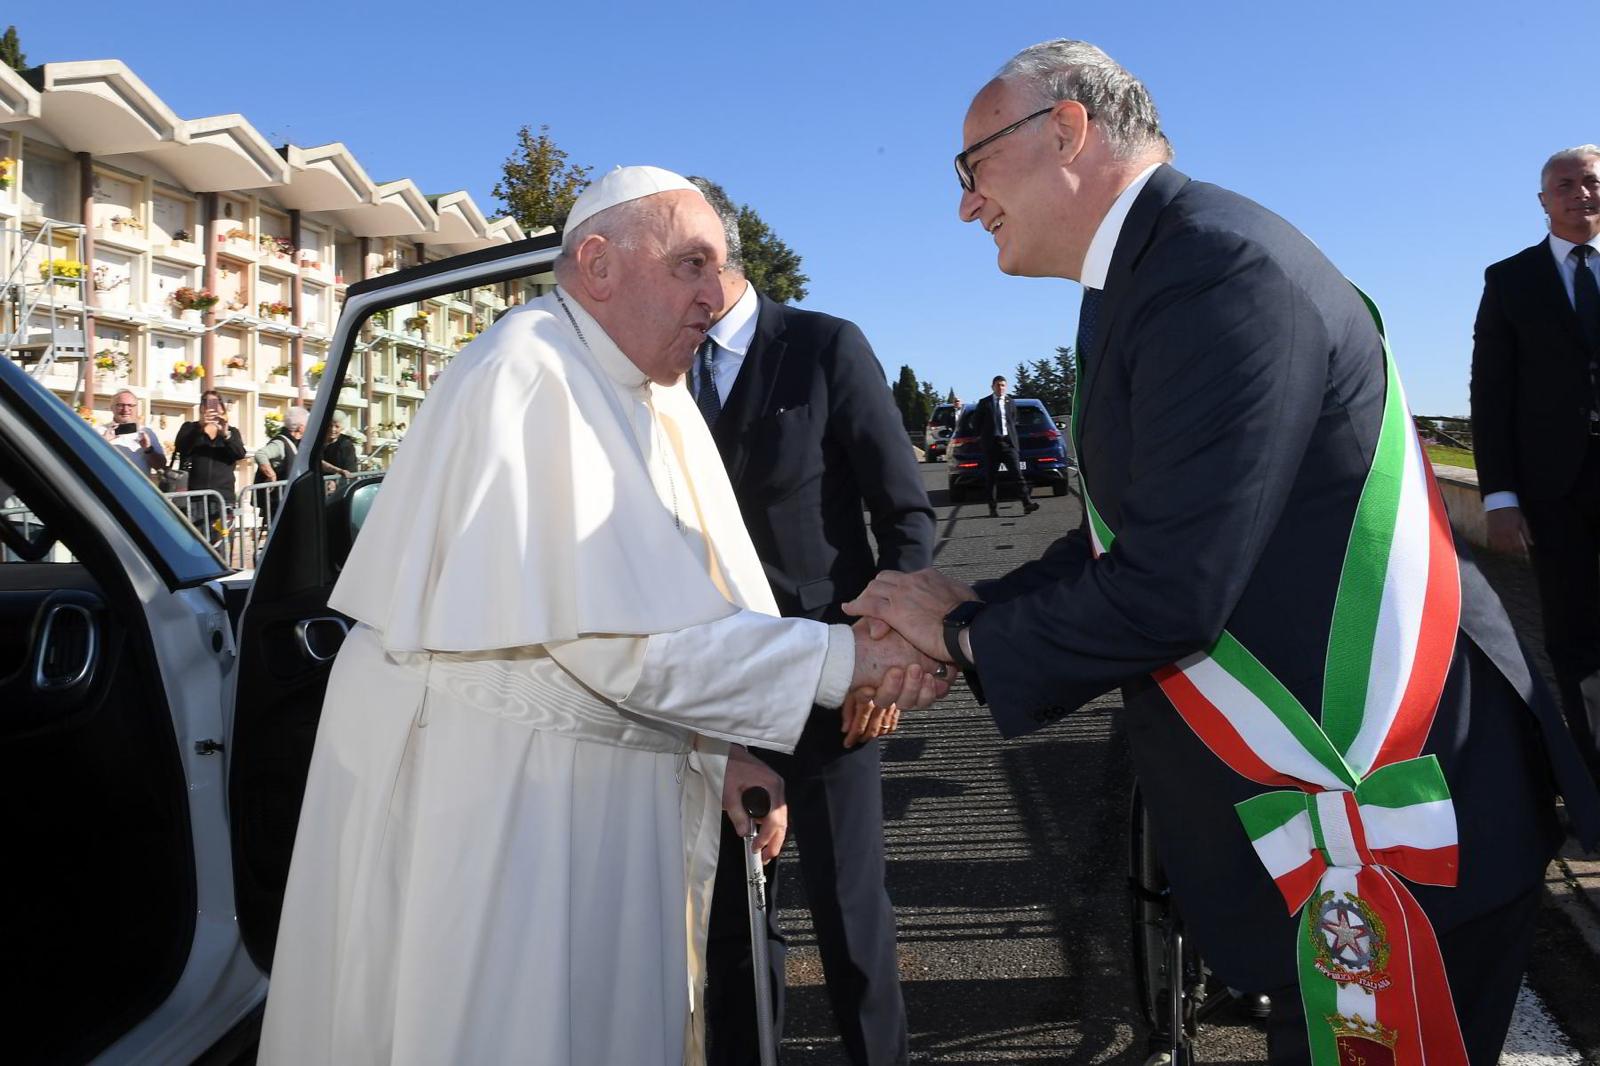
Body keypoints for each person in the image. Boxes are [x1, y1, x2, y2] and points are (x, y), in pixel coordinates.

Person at [844, 40, 1600, 1066]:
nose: (967, 206)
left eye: (970, 169)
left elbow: (1171, 587)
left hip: (1394, 804)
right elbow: (1131, 529)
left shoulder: (1214, 271)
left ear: (1064, 131)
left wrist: (964, 634)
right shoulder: (1155, 270)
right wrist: (967, 609)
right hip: (1344, 817)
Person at [258, 166, 946, 1066]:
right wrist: (850, 661)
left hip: (592, 774)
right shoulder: (531, 373)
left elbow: (669, 603)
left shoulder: (638, 384)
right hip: (502, 799)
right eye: (692, 265)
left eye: (721, 267)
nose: (717, 294)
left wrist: (738, 736)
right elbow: (626, 644)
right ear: (598, 263)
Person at [687, 178, 934, 1066]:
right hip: (711, 690)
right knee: (732, 929)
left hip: (834, 688)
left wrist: (886, 660)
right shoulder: (652, 371)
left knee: (850, 918)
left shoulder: (826, 347)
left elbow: (904, 517)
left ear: (719, 257)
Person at [1471, 145, 1600, 778]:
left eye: (1593, 182)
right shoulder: (1510, 280)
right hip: (1557, 491)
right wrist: (1499, 496)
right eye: (1565, 184)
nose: (1581, 192)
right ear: (1544, 200)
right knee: (1574, 636)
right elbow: (1490, 395)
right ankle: (1593, 770)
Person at [173, 389, 246, 543]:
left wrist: (225, 433)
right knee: (194, 544)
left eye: (216, 404)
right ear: (201, 408)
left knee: (221, 546)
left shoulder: (232, 432)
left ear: (222, 408)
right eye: (207, 404)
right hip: (193, 499)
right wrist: (200, 427)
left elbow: (239, 454)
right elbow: (181, 447)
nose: (212, 409)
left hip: (222, 500)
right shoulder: (190, 428)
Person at [970, 374, 1037, 517]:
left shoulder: (1010, 402)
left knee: (1017, 475)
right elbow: (976, 423)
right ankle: (992, 508)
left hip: (1008, 443)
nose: (1000, 388)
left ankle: (1027, 503)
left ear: (1006, 387)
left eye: (1003, 385)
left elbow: (1013, 420)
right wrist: (983, 438)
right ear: (992, 387)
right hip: (992, 445)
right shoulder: (984, 403)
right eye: (998, 385)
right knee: (991, 478)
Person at [99, 390, 165, 477]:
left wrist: (148, 449)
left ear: (137, 408)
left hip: (137, 488)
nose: (126, 409)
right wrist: (102, 443)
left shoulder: (147, 432)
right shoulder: (99, 432)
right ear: (112, 408)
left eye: (130, 405)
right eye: (120, 405)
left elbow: (161, 466)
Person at [254, 406, 306, 484]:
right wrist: (272, 476)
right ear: (300, 427)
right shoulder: (280, 443)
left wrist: (331, 469)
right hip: (276, 494)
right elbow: (260, 454)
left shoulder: (299, 442)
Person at [320, 413, 362, 478]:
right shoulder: (318, 441)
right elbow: (317, 462)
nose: (332, 429)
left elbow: (350, 471)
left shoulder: (346, 445)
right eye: (330, 425)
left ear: (342, 428)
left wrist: (335, 481)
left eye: (337, 426)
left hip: (338, 483)